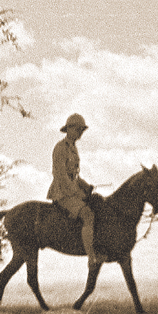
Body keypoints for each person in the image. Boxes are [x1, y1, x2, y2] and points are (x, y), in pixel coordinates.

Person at [47, 113, 104, 266]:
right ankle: (91, 257)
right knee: (87, 215)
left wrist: (85, 185)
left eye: (81, 130)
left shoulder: (73, 148)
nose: (80, 133)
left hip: (71, 189)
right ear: (69, 129)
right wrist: (77, 192)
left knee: (97, 202)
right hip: (62, 192)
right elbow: (61, 175)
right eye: (78, 129)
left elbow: (74, 176)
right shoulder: (60, 148)